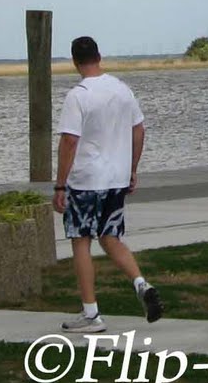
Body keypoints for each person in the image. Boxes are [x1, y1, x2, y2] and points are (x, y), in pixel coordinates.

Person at [52, 34, 163, 330]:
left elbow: (69, 141)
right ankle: (141, 284)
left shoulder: (79, 95)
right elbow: (139, 130)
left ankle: (91, 313)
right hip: (116, 178)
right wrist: (132, 168)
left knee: (81, 241)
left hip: (86, 180)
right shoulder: (122, 90)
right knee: (110, 236)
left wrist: (60, 184)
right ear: (99, 57)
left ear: (75, 62)